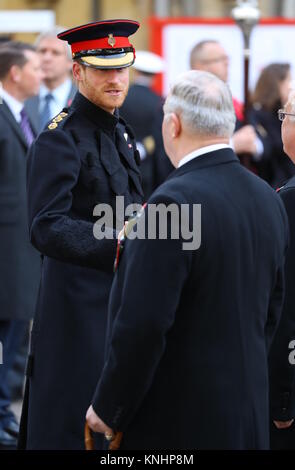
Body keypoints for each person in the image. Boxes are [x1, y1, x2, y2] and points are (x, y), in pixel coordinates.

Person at [86, 70, 288, 450]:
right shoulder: (267, 198)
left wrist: (109, 407)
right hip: (246, 415)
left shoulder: (169, 204)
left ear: (172, 125)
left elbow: (142, 323)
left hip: (179, 421)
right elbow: (271, 310)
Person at [18, 19, 143, 450]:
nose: (115, 79)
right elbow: (45, 225)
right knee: (73, 425)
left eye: (122, 68)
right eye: (103, 69)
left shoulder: (121, 131)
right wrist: (119, 243)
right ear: (78, 72)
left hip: (118, 298)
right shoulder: (60, 138)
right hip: (75, 309)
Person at [0, 41, 42, 449]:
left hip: (19, 248)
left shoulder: (23, 113)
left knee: (13, 332)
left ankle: (1, 414)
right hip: (6, 247)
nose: (40, 74)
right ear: (15, 73)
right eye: (33, 68)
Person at [268, 92, 295, 449]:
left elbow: (286, 306)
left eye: (284, 116)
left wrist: (283, 396)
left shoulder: (289, 201)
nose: (282, 124)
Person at [190, 40, 262, 168]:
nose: (226, 63)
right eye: (219, 59)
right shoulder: (185, 105)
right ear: (199, 66)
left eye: (227, 58)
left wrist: (254, 144)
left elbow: (266, 141)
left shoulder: (236, 104)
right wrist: (232, 145)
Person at [120, 50, 173, 199]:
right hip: (148, 167)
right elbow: (159, 137)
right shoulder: (159, 102)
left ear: (136, 72)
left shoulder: (121, 96)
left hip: (121, 160)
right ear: (154, 76)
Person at [249, 63, 294, 187]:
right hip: (273, 184)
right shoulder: (257, 113)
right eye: (288, 80)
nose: (291, 86)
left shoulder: (282, 111)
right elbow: (272, 146)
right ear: (276, 84)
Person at [25, 27, 76, 132]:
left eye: (55, 53)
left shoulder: (82, 99)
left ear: (70, 62)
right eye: (42, 51)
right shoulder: (23, 97)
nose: (47, 58)